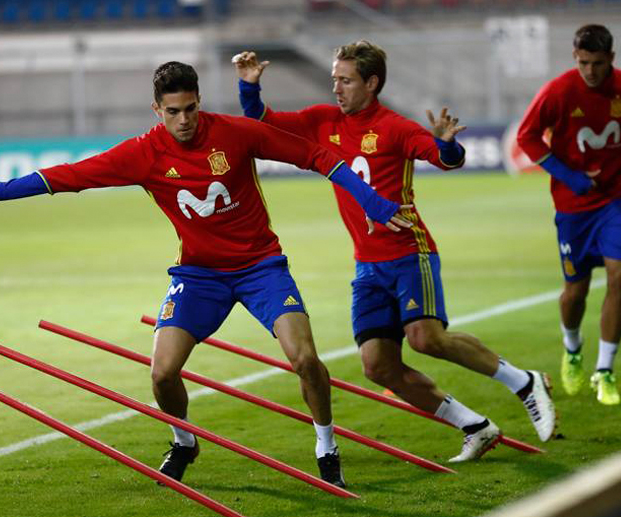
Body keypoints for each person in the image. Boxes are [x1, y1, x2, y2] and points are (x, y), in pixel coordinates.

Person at [0, 61, 413, 488]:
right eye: (173, 111)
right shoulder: (143, 153)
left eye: (191, 108)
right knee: (162, 374)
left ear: (199, 101)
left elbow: (315, 155)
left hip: (261, 268)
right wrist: (3, 190)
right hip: (199, 277)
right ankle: (184, 441)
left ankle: (326, 448)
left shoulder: (235, 133)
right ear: (157, 110)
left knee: (306, 359)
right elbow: (73, 175)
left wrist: (371, 201)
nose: (184, 119)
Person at [233, 41, 557, 462]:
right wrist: (249, 86)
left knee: (426, 338)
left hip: (408, 253)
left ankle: (524, 382)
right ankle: (474, 426)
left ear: (371, 83)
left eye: (346, 80)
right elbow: (262, 122)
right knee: (377, 366)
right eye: (335, 79)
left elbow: (445, 158)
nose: (336, 88)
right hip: (367, 266)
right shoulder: (322, 121)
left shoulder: (395, 127)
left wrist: (447, 145)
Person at [517, 25, 621, 405]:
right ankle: (573, 347)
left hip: (619, 198)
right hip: (573, 206)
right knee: (574, 293)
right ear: (574, 57)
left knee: (620, 276)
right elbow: (526, 137)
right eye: (583, 63)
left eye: (597, 63)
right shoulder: (558, 92)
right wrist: (571, 178)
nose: (590, 71)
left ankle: (605, 370)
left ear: (611, 58)